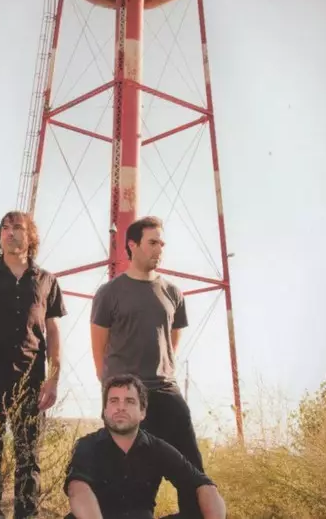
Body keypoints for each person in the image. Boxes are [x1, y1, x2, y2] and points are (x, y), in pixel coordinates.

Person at [90, 216, 205, 518]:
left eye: (162, 243)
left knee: (193, 474)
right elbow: (99, 348)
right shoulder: (109, 293)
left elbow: (173, 338)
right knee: (130, 485)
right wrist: (112, 388)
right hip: (128, 397)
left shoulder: (173, 292)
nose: (159, 249)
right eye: (152, 242)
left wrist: (162, 367)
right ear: (132, 245)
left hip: (166, 390)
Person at [0, 210, 67, 519]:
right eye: (4, 227)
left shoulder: (46, 280)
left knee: (29, 457)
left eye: (17, 227)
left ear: (30, 237)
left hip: (31, 380)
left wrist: (53, 378)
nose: (10, 232)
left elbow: (53, 331)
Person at [63, 374, 226, 519]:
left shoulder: (157, 448)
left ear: (142, 412)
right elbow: (78, 489)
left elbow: (203, 485)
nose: (121, 407)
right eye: (114, 401)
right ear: (105, 411)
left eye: (129, 401)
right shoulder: (88, 445)